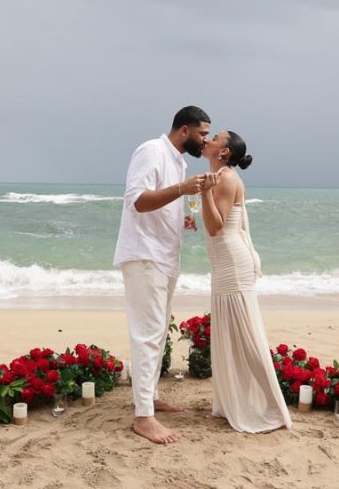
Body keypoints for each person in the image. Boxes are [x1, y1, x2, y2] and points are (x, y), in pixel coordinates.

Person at [113, 105, 211, 444]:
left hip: (165, 257)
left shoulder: (179, 161)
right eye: (202, 134)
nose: (205, 140)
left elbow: (160, 202)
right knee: (147, 335)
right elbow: (137, 201)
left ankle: (150, 398)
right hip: (144, 256)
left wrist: (178, 216)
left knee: (158, 332)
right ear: (184, 131)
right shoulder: (151, 150)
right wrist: (181, 191)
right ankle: (143, 418)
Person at [200, 130, 292, 433]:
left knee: (247, 338)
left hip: (232, 264)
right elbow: (215, 222)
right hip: (224, 262)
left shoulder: (225, 179)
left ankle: (272, 408)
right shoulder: (220, 176)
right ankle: (233, 403)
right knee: (230, 334)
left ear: (224, 152)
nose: (208, 140)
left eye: (214, 137)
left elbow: (216, 227)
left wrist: (201, 193)